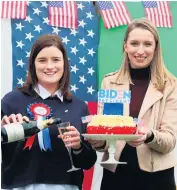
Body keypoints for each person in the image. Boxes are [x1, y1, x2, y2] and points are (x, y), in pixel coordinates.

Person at [89, 18, 177, 190]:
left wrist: (149, 135)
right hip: (116, 175)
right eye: (134, 43)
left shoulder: (170, 86)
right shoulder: (110, 82)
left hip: (157, 177)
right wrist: (96, 137)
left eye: (147, 44)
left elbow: (169, 141)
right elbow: (105, 139)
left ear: (155, 48)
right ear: (125, 46)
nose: (140, 51)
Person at [1, 34, 97, 190]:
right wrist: (3, 129)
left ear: (65, 64)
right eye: (42, 60)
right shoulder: (11, 101)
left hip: (67, 186)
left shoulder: (80, 107)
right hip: (17, 186)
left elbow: (87, 162)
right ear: (33, 64)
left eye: (56, 60)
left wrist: (78, 146)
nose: (50, 66)